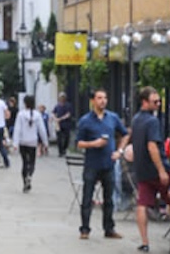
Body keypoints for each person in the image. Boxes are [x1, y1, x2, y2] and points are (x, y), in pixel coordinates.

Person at [76, 88, 129, 240]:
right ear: (93, 101)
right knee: (87, 197)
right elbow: (78, 143)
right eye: (99, 98)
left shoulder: (112, 118)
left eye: (105, 98)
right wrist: (94, 144)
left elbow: (125, 134)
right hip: (92, 164)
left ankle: (109, 228)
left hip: (108, 164)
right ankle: (85, 229)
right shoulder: (85, 120)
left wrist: (120, 151)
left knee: (109, 199)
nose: (103, 101)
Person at [132, 86, 170, 252]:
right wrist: (161, 169)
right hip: (156, 169)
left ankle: (145, 242)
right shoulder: (152, 121)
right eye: (154, 101)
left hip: (142, 170)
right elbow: (152, 146)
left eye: (159, 101)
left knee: (143, 203)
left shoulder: (136, 119)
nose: (158, 104)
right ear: (144, 102)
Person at [12, 95, 48, 193]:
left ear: (25, 103)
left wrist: (15, 143)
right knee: (32, 162)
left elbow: (17, 129)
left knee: (24, 162)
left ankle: (25, 183)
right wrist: (45, 142)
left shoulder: (21, 114)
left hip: (23, 142)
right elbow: (42, 130)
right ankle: (30, 175)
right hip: (33, 141)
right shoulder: (37, 115)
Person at [53, 92, 73, 157]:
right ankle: (60, 151)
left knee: (67, 137)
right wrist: (55, 118)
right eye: (61, 97)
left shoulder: (68, 105)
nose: (62, 98)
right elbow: (53, 113)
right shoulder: (57, 106)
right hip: (58, 124)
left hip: (66, 124)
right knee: (59, 138)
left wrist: (61, 118)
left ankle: (64, 148)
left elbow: (68, 114)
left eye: (63, 97)